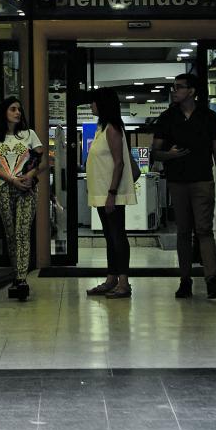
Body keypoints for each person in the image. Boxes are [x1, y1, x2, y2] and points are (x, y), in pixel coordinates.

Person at [151, 72, 216, 300]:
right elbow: (155, 152)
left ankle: (212, 279)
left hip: (202, 180)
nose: (174, 91)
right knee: (183, 232)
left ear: (192, 91)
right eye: (174, 87)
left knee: (204, 230)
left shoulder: (208, 117)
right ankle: (185, 280)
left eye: (179, 87)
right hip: (177, 182)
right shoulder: (167, 117)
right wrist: (170, 155)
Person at [0, 96, 45, 301]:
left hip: (26, 189)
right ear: (4, 112)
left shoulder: (29, 134)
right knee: (11, 235)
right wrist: (12, 180)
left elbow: (42, 159)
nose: (17, 112)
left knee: (22, 232)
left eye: (19, 109)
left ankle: (21, 278)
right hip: (4, 188)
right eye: (13, 109)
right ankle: (16, 274)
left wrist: (29, 176)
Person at [86, 88, 136, 299]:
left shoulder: (113, 129)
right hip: (101, 193)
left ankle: (123, 283)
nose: (91, 105)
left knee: (117, 236)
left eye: (94, 102)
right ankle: (111, 278)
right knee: (110, 236)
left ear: (103, 104)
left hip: (110, 193)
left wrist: (112, 193)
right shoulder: (102, 128)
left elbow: (119, 163)